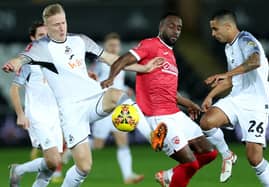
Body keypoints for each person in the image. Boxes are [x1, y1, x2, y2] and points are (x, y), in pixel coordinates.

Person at [2, 3, 164, 187]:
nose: (62, 28)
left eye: (63, 22)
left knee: (117, 95)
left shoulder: (79, 40)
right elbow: (21, 58)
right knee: (84, 167)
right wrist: (14, 63)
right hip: (71, 112)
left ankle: (153, 135)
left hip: (93, 98)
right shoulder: (41, 47)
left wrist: (143, 67)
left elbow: (111, 59)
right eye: (56, 25)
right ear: (47, 27)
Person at [101, 12, 218, 187]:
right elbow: (123, 60)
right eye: (171, 26)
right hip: (158, 117)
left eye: (179, 28)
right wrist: (111, 77)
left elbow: (169, 92)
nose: (176, 31)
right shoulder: (150, 45)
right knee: (190, 163)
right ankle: (156, 141)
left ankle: (169, 175)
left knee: (209, 154)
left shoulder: (170, 56)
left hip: (175, 113)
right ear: (161, 27)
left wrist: (189, 104)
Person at [199, 9, 269, 186]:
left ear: (228, 26)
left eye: (215, 29)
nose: (213, 34)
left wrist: (227, 74)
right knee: (207, 122)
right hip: (236, 99)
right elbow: (230, 80)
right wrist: (210, 96)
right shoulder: (229, 47)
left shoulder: (245, 39)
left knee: (254, 159)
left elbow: (255, 61)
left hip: (256, 104)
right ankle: (227, 155)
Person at [9, 20, 64, 187]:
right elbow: (14, 88)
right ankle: (18, 170)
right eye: (40, 35)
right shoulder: (28, 62)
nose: (45, 39)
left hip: (55, 117)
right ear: (32, 38)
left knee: (51, 164)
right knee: (53, 160)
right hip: (37, 117)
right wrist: (20, 114)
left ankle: (18, 171)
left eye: (47, 35)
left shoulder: (58, 58)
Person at [90, 32, 144, 184]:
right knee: (98, 145)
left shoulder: (120, 61)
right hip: (104, 107)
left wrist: (125, 89)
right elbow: (94, 80)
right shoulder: (101, 63)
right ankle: (71, 147)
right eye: (111, 45)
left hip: (119, 107)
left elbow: (117, 83)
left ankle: (128, 175)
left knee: (123, 141)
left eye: (116, 45)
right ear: (105, 46)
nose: (114, 47)